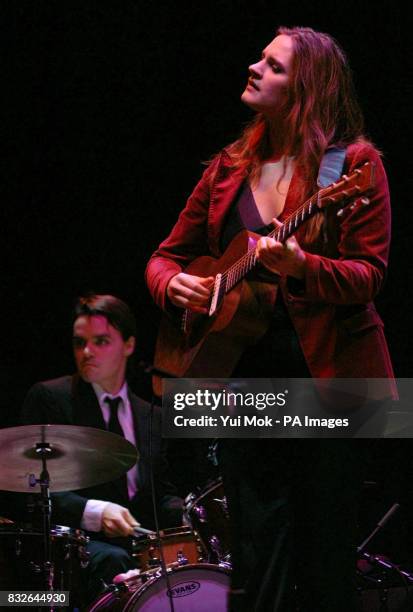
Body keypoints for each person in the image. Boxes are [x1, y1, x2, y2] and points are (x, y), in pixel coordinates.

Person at [145, 26, 397, 611]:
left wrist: (303, 265)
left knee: (325, 557)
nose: (255, 68)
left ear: (305, 88)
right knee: (255, 557)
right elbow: (164, 257)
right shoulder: (228, 168)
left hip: (331, 385)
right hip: (241, 382)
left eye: (274, 65)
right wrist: (170, 286)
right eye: (260, 58)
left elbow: (369, 276)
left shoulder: (352, 166)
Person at [21, 294, 183, 604]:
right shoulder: (51, 399)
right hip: (77, 547)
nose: (86, 352)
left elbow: (158, 494)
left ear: (129, 345)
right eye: (79, 342)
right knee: (114, 560)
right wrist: (92, 512)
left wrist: (189, 513)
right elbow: (28, 488)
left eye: (101, 341)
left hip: (141, 546)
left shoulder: (152, 415)